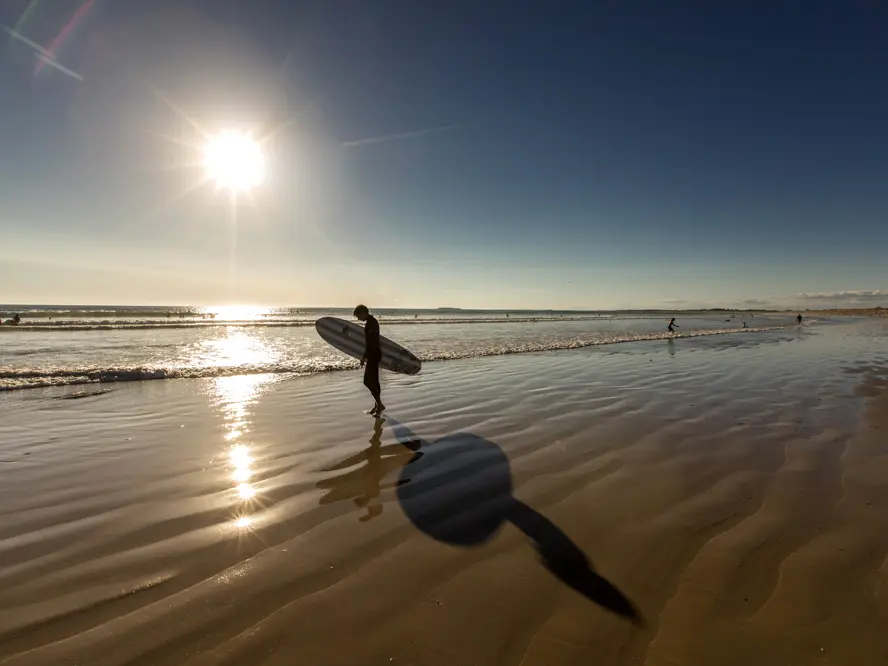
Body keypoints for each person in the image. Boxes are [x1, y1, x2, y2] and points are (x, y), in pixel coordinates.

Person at [354, 304, 385, 416]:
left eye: (358, 316)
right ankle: (377, 406)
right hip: (375, 354)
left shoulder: (371, 324)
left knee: (367, 381)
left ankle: (379, 404)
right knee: (375, 381)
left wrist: (364, 357)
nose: (358, 318)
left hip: (373, 354)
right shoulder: (372, 322)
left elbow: (371, 343)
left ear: (363, 312)